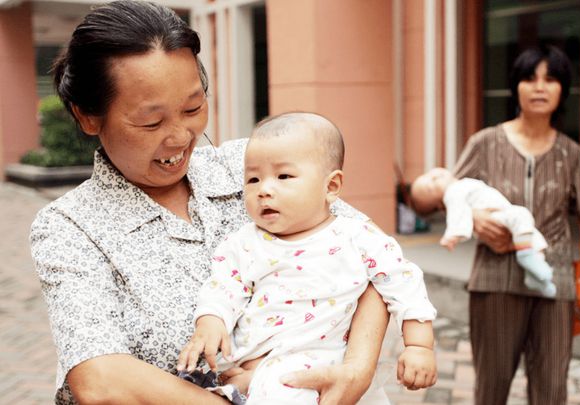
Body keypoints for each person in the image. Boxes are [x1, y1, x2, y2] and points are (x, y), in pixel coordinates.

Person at [29, 2, 390, 404]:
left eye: (193, 108)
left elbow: (373, 256)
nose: (181, 136)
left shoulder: (251, 167)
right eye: (151, 122)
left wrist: (357, 371)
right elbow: (100, 380)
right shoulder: (69, 226)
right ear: (88, 117)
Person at [177, 112, 438, 403]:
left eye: (284, 176)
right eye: (253, 179)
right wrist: (211, 321)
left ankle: (262, 381)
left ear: (331, 187)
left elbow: (404, 284)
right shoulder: (245, 243)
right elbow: (224, 286)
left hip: (324, 360)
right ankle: (257, 379)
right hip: (253, 357)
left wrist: (418, 346)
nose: (264, 190)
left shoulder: (359, 238)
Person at [411, 45, 580, 404]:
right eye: (529, 78)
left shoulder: (571, 153)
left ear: (562, 89)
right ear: (515, 86)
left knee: (551, 390)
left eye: (550, 79)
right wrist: (474, 218)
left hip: (555, 282)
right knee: (492, 388)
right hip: (495, 281)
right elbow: (447, 194)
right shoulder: (485, 143)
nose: (539, 87)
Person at [411, 167, 556, 297]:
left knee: (534, 237)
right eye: (431, 186)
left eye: (429, 175)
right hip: (496, 216)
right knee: (522, 215)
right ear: (440, 204)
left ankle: (535, 277)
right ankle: (526, 256)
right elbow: (457, 216)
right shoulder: (452, 192)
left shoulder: (460, 184)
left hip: (503, 213)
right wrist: (452, 236)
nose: (435, 177)